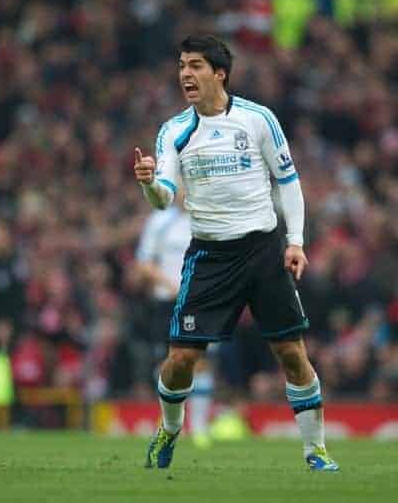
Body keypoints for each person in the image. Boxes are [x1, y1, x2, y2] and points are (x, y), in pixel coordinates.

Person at [134, 36, 338, 471]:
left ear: (219, 72)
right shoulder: (174, 130)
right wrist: (150, 182)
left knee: (291, 353)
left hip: (262, 250)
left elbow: (288, 181)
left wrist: (296, 241)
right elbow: (164, 198)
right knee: (180, 360)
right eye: (181, 65)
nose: (185, 73)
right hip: (209, 256)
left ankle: (316, 450)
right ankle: (169, 429)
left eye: (195, 65)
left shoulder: (258, 119)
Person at [135, 197, 215, 448]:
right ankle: (169, 424)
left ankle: (200, 428)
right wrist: (170, 284)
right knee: (166, 363)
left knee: (200, 362)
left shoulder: (206, 220)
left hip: (198, 301)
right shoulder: (159, 221)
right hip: (166, 301)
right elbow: (144, 264)